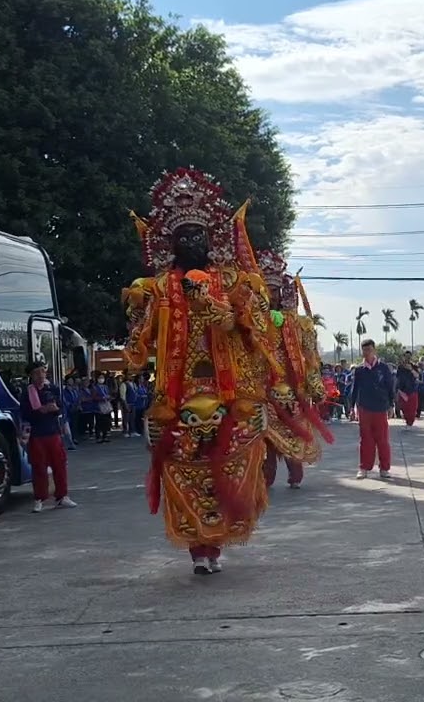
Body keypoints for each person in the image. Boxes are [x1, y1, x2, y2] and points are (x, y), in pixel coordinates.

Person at [124, 167, 274, 575]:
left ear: (213, 239)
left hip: (228, 393)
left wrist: (220, 310)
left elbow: (255, 330)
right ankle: (198, 549)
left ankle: (217, 543)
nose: (192, 242)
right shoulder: (157, 288)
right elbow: (136, 347)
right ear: (170, 244)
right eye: (183, 237)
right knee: (183, 467)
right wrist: (137, 315)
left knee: (229, 463)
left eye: (199, 235)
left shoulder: (232, 280)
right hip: (178, 396)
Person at [256, 250, 332, 490]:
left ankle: (294, 475)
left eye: (275, 290)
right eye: (267, 290)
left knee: (294, 433)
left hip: (291, 388)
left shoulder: (299, 325)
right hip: (263, 388)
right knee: (264, 438)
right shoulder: (254, 322)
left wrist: (316, 385)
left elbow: (309, 359)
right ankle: (265, 478)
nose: (272, 295)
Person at [22, 361, 77, 513]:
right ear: (31, 375)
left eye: (43, 371)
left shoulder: (52, 388)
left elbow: (61, 407)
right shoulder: (27, 392)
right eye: (37, 372)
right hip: (37, 434)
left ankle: (62, 496)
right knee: (39, 467)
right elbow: (25, 413)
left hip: (53, 432)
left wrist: (55, 409)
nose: (41, 375)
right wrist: (41, 411)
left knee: (59, 465)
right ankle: (39, 498)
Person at [351, 339, 396, 479]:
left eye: (369, 350)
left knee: (382, 439)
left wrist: (391, 405)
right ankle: (364, 468)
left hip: (381, 408)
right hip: (364, 408)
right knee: (365, 440)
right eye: (364, 350)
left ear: (374, 350)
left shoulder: (383, 368)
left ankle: (384, 468)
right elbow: (355, 389)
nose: (366, 353)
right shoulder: (359, 370)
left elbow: (390, 387)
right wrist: (352, 408)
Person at [396, 352, 419, 426]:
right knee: (404, 408)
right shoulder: (400, 367)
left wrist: (411, 369)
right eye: (406, 356)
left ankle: (410, 422)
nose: (407, 358)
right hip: (403, 391)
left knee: (412, 408)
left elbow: (417, 375)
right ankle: (407, 420)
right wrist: (398, 389)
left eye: (409, 356)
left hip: (412, 389)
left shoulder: (414, 366)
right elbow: (397, 378)